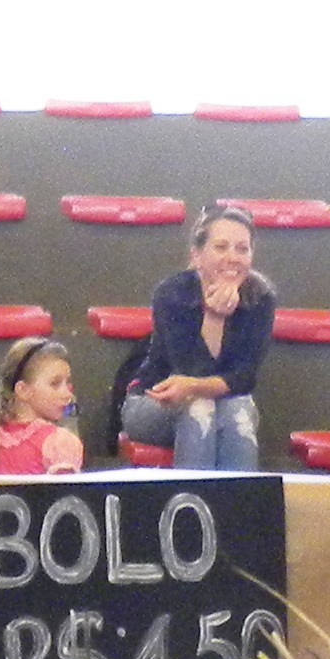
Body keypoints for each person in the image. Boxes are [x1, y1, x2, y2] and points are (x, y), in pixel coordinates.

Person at [117, 200, 274, 473]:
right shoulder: (171, 293)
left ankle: (239, 500)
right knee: (199, 408)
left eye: (242, 249)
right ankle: (191, 499)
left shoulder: (261, 297)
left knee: (237, 411)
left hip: (226, 402)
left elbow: (244, 379)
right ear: (197, 256)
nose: (233, 257)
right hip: (152, 401)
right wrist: (214, 316)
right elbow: (190, 369)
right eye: (221, 247)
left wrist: (193, 385)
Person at [0, 335, 84, 474]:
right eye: (55, 384)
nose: (67, 394)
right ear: (23, 390)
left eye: (67, 383)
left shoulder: (59, 443)